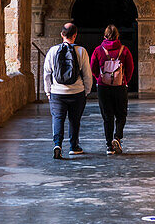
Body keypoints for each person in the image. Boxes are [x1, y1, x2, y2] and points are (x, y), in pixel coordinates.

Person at [43, 22, 93, 159]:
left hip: (57, 93)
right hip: (77, 92)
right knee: (74, 120)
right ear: (75, 35)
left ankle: (57, 144)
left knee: (58, 118)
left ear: (61, 35)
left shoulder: (53, 51)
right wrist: (86, 91)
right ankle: (74, 146)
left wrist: (48, 91)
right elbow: (87, 74)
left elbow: (47, 73)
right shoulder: (81, 51)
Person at [90, 24, 135, 155]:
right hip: (120, 86)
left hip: (103, 87)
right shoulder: (124, 50)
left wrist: (99, 77)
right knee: (121, 114)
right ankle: (117, 137)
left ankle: (109, 146)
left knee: (107, 116)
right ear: (117, 36)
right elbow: (130, 67)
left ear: (104, 36)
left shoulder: (98, 50)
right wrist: (124, 80)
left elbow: (93, 66)